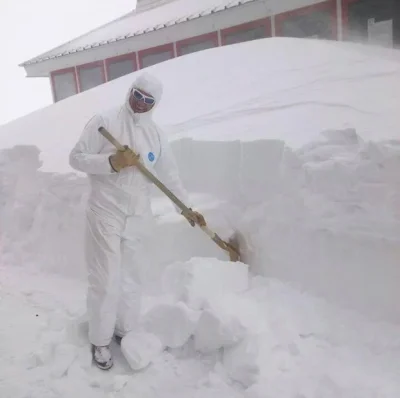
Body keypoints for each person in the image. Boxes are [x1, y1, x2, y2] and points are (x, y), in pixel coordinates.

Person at [69, 72, 205, 370]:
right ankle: (100, 339)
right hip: (105, 209)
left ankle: (124, 330)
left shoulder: (156, 135)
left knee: (132, 276)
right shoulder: (104, 121)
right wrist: (111, 163)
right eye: (137, 96)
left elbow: (169, 175)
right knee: (106, 277)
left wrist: (187, 208)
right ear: (130, 92)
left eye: (148, 101)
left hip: (137, 213)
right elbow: (76, 158)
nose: (140, 104)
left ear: (155, 104)